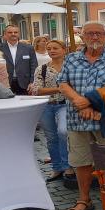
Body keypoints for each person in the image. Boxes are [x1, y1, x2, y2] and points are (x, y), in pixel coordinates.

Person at [57, 21, 105, 210]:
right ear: (82, 37)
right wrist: (78, 101)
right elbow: (62, 83)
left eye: (99, 33)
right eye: (89, 34)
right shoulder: (71, 58)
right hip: (77, 118)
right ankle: (84, 199)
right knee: (81, 161)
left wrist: (91, 103)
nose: (94, 37)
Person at [32, 40, 73, 181]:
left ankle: (67, 165)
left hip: (65, 104)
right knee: (51, 138)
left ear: (64, 49)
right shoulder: (42, 69)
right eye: (49, 48)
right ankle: (57, 167)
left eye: (55, 48)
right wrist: (60, 88)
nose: (51, 51)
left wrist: (59, 90)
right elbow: (37, 90)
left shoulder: (72, 66)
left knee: (63, 132)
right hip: (47, 105)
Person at [0, 25, 37, 95]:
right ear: (5, 35)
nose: (13, 34)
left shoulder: (28, 48)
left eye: (15, 32)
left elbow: (34, 66)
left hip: (25, 84)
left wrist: (32, 82)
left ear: (19, 34)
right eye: (10, 32)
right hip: (5, 83)